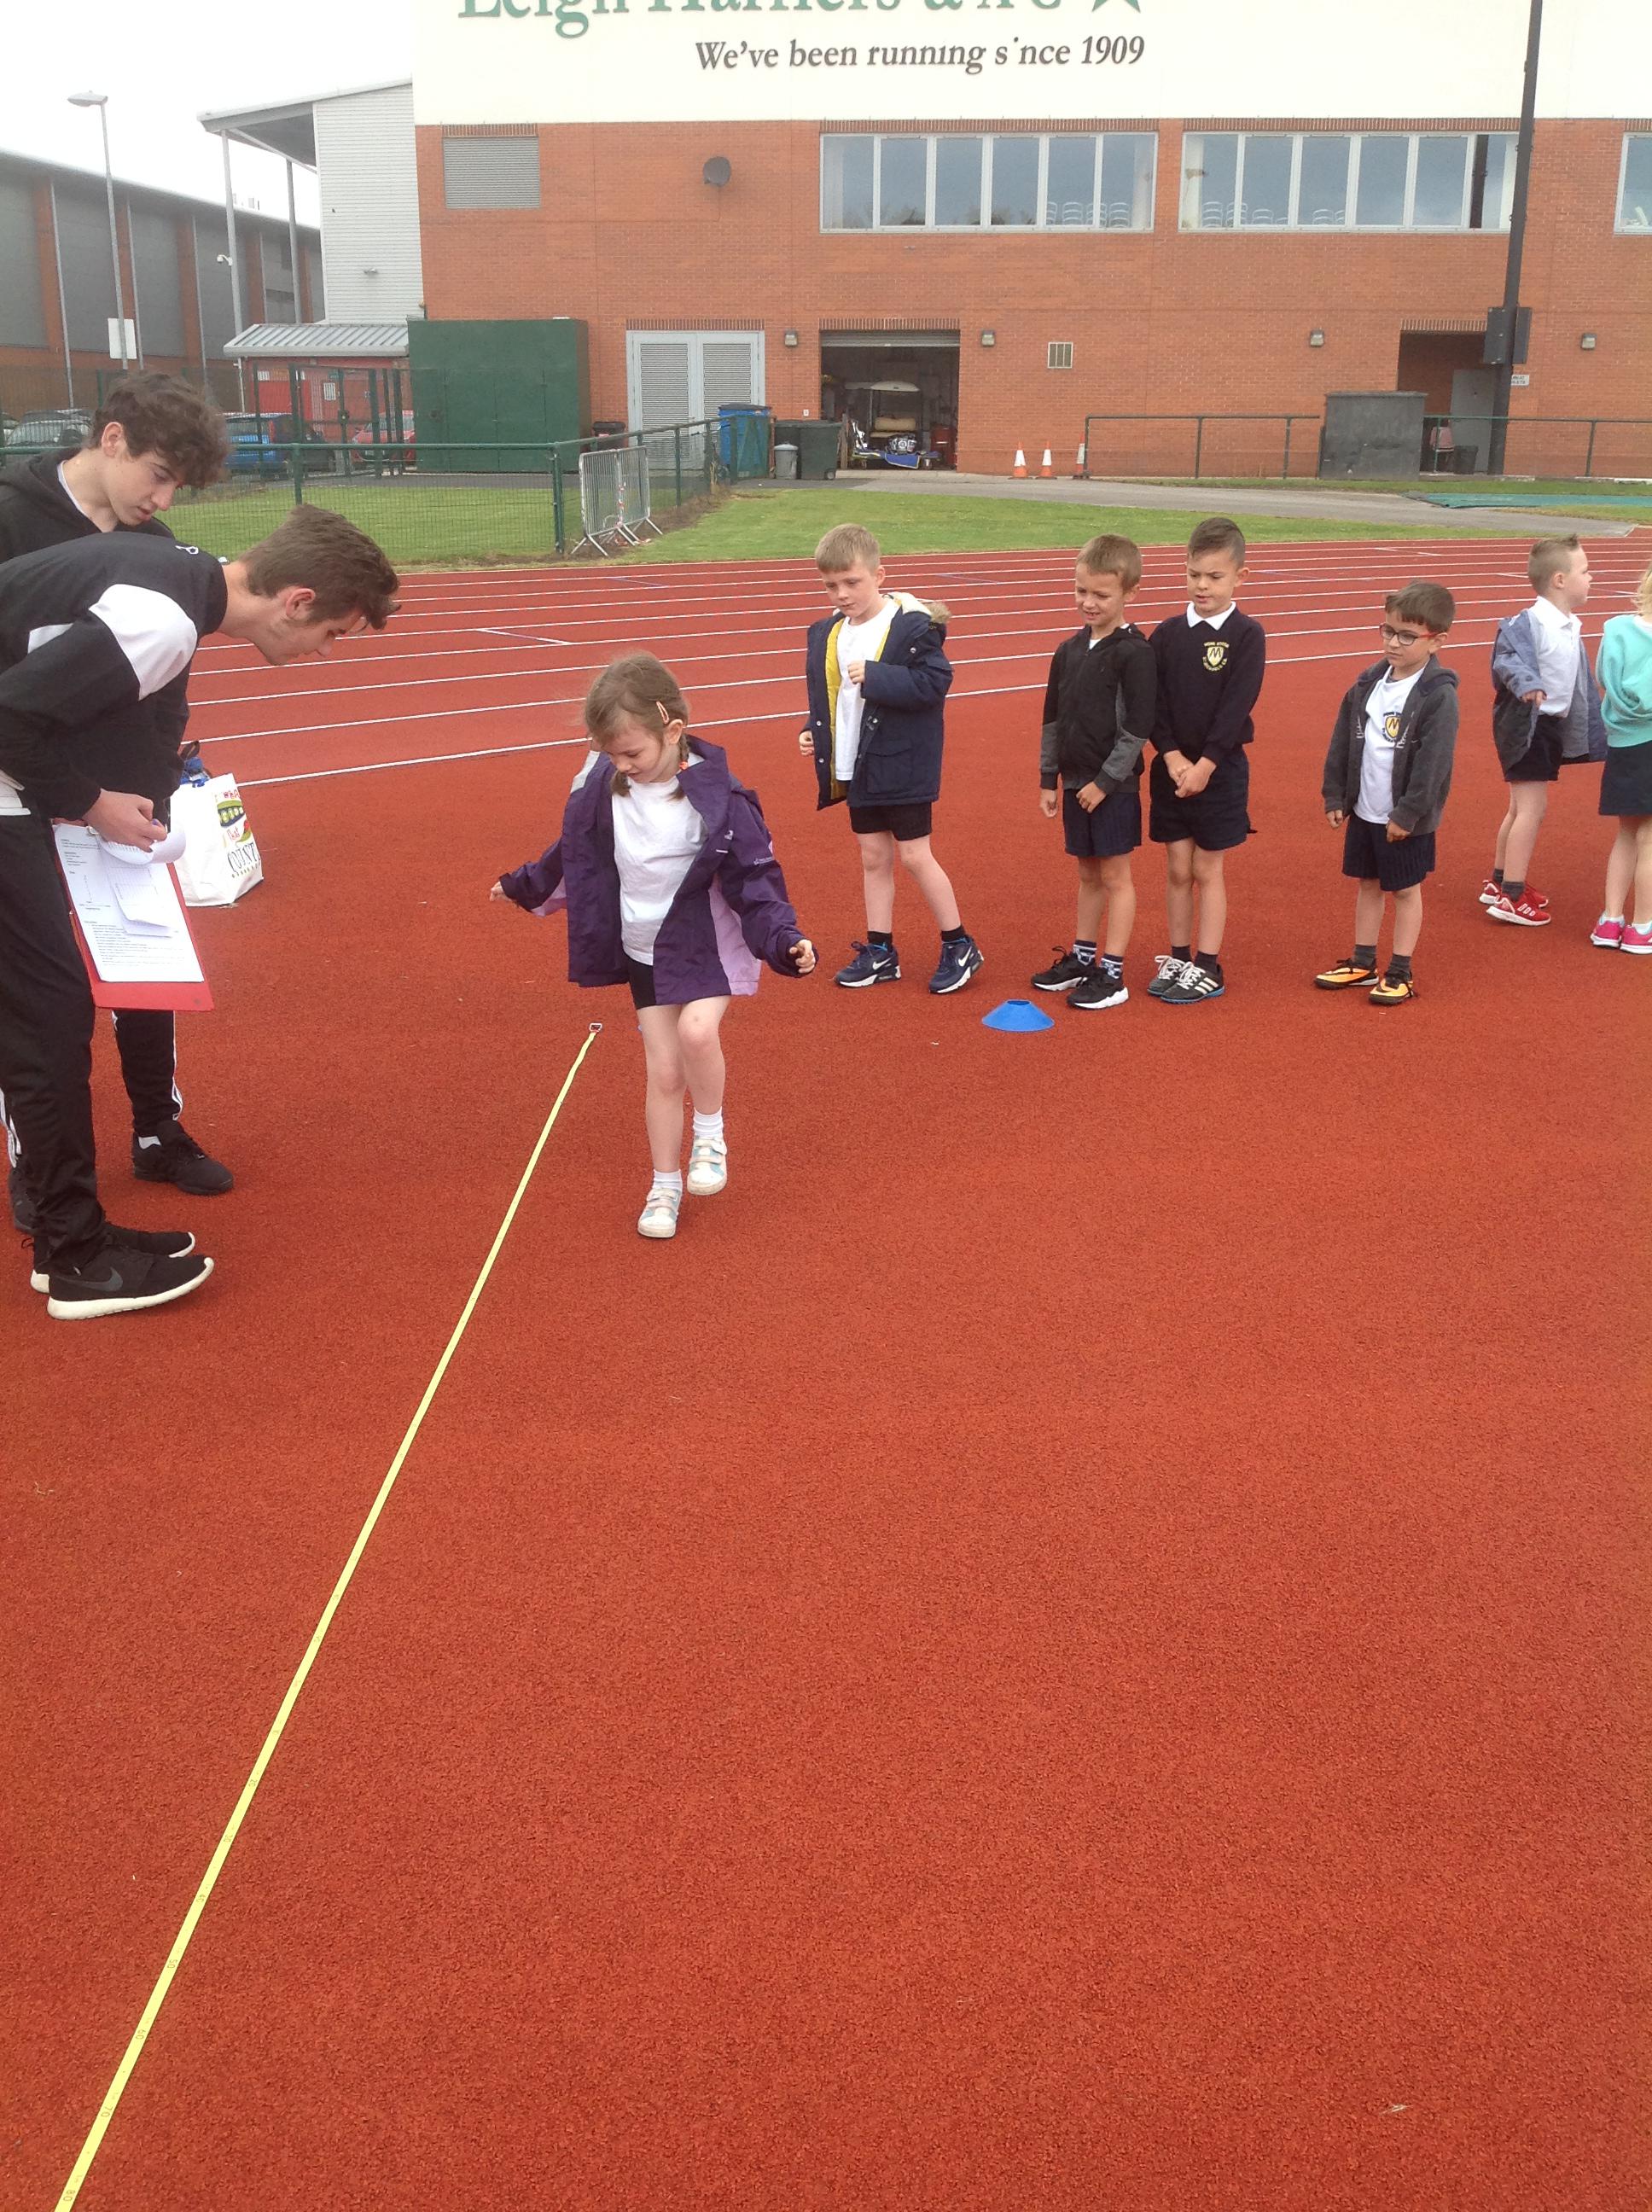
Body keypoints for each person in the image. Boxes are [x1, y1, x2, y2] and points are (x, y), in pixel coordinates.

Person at [0, 505, 399, 1318]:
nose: (325, 653)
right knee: (47, 1022)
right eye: (333, 633)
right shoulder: (165, 617)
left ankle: (72, 1237)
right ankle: (76, 1260)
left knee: (51, 1017)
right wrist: (92, 802)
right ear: (296, 600)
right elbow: (7, 715)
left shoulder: (179, 580)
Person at [0, 373, 234, 1231]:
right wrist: (67, 789)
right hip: (20, 790)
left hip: (116, 794)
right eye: (158, 475)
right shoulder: (10, 518)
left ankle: (157, 1129)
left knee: (147, 965)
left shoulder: (156, 544)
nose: (162, 500)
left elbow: (168, 684)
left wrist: (155, 784)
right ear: (110, 440)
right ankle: (37, 1164)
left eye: (178, 488)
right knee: (41, 1000)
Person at [495, 653, 814, 1243]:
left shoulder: (718, 799)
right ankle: (664, 1185)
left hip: (704, 944)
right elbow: (573, 850)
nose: (620, 765)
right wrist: (524, 885)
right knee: (664, 1073)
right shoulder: (604, 788)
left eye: (631, 753)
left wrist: (783, 939)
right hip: (642, 947)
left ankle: (710, 1134)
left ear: (673, 731)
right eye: (609, 753)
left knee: (697, 1032)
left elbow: (756, 878)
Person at [797, 522, 982, 995]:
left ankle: (959, 943)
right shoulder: (827, 633)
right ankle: (880, 950)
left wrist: (878, 676)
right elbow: (830, 696)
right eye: (831, 586)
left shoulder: (911, 627)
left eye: (852, 582)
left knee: (916, 856)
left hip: (903, 763)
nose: (842, 594)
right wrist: (812, 730)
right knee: (873, 857)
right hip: (857, 764)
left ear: (879, 576)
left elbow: (935, 683)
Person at [1315, 581, 1459, 1006]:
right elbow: (1342, 741)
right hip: (1366, 809)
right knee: (1368, 884)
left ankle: (1400, 970)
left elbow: (1434, 764)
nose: (1394, 643)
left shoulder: (1438, 696)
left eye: (1407, 636)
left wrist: (1408, 813)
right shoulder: (1367, 684)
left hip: (1404, 817)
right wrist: (1336, 794)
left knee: (1406, 890)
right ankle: (1362, 962)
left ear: (1437, 641)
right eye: (1389, 631)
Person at [1145, 515, 1266, 1005]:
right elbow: (1153, 703)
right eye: (1194, 574)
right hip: (1171, 771)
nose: (1202, 586)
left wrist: (1205, 765)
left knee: (1207, 869)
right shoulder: (1167, 634)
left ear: (1240, 576)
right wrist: (1171, 755)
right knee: (1178, 868)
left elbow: (1236, 706)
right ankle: (1178, 956)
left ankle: (1208, 964)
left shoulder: (1247, 635)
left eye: (1215, 577)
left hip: (1220, 773)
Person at [1032, 533, 1155, 1010]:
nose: (1089, 602)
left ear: (1130, 592)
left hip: (1113, 787)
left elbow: (1138, 729)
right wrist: (1049, 779)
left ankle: (1113, 972)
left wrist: (1105, 783)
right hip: (1074, 782)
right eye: (1081, 591)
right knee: (1087, 873)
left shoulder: (1135, 653)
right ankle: (1083, 958)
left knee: (1116, 876)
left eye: (1101, 594)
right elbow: (1052, 720)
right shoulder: (1068, 650)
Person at [1482, 534, 1605, 927]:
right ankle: (1512, 896)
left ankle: (1499, 882)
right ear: (1559, 580)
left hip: (1548, 725)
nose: (1591, 577)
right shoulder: (1529, 624)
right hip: (1527, 726)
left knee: (1519, 808)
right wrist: (1528, 684)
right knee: (1532, 810)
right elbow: (1507, 660)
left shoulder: (1568, 624)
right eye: (1585, 571)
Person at [1590, 559, 1652, 955]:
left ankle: (1610, 920)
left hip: (1624, 742)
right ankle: (1642, 926)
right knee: (1651, 838)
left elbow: (1603, 677)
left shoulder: (1616, 629)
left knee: (1627, 832)